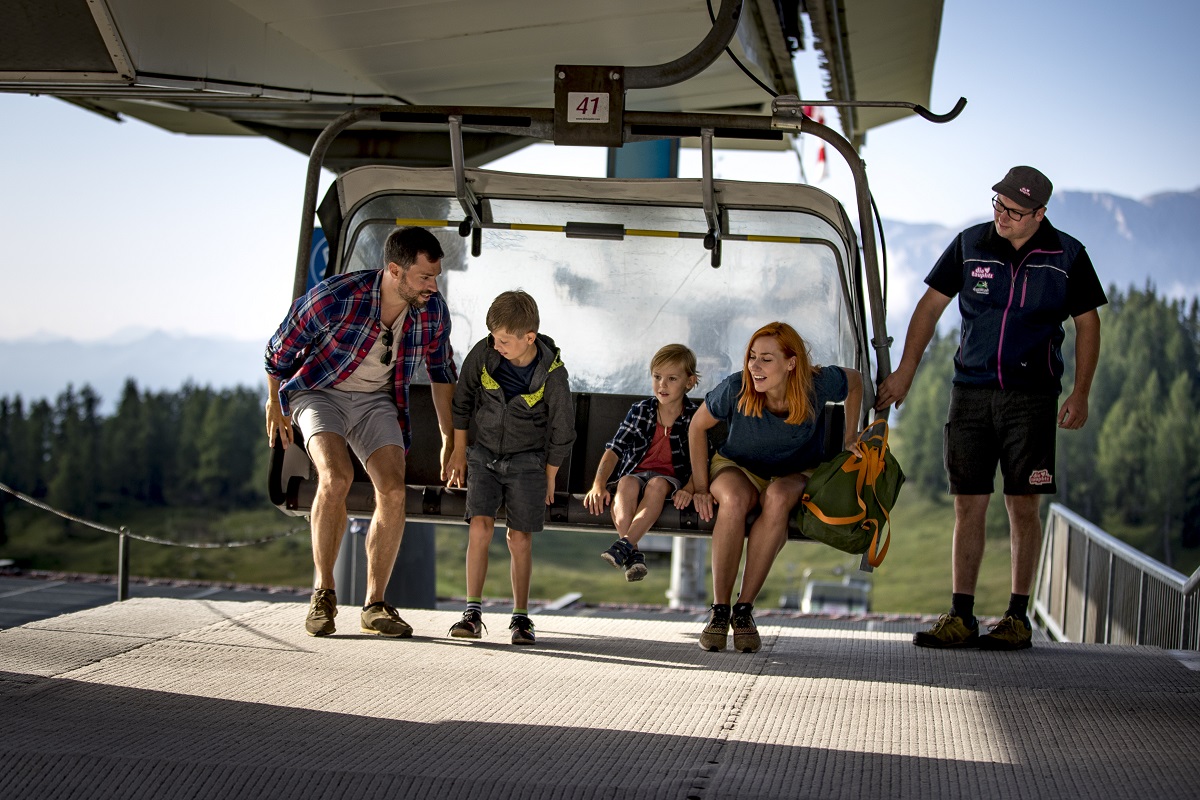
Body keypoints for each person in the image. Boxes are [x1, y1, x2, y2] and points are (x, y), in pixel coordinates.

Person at [876, 166, 1106, 652]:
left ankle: (1017, 617)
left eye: (1015, 212)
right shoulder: (969, 243)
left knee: (1023, 504)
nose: (1002, 216)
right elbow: (929, 307)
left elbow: (1088, 325)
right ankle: (961, 615)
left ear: (1040, 214)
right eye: (997, 204)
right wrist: (906, 372)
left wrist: (1080, 392)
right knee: (968, 503)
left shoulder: (1068, 255)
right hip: (971, 393)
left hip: (1033, 397)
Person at [264, 226, 457, 638]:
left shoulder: (432, 309)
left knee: (392, 489)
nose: (432, 286)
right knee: (336, 477)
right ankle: (323, 593)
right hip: (319, 393)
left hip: (375, 401)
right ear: (394, 271)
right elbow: (277, 351)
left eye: (436, 276)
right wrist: (273, 401)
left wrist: (448, 437)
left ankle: (375, 603)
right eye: (425, 277)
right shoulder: (334, 297)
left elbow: (442, 372)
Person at [690, 322, 863, 653]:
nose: (754, 366)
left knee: (778, 497)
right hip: (736, 467)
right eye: (752, 357)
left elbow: (855, 382)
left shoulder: (818, 383)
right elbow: (697, 427)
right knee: (736, 499)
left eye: (766, 359)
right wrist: (700, 486)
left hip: (793, 473)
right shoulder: (736, 388)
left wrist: (851, 436)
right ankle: (719, 610)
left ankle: (743, 610)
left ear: (791, 363)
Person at [445, 290, 575, 645]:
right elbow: (462, 401)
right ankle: (472, 612)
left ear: (528, 338)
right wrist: (459, 452)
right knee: (480, 529)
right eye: (493, 337)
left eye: (504, 339)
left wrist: (550, 476)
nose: (496, 344)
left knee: (519, 539)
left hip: (528, 462)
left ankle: (521, 618)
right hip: (483, 455)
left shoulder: (553, 376)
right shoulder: (485, 354)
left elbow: (562, 430)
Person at [584, 344, 702, 581]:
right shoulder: (641, 411)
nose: (662, 385)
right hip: (636, 475)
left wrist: (689, 488)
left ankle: (625, 545)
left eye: (671, 378)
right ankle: (632, 554)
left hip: (668, 479)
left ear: (689, 382)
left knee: (657, 485)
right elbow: (614, 450)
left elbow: (702, 459)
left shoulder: (694, 416)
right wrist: (598, 484)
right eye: (657, 377)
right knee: (626, 482)